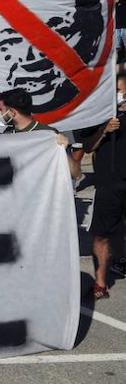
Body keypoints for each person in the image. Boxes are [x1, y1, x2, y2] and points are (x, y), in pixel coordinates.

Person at [0, 0, 107, 116]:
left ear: (92, 38)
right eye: (12, 41)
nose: (31, 58)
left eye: (56, 35)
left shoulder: (93, 115)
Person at [84, 76, 126, 299]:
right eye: (117, 90)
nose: (120, 94)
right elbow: (89, 147)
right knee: (102, 234)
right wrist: (105, 130)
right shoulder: (100, 116)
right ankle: (100, 282)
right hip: (109, 182)